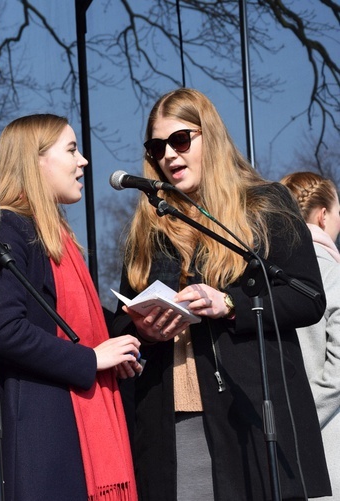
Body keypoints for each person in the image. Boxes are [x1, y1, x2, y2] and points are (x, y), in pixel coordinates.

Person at [111, 87, 331, 500]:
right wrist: (142, 328)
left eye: (180, 140)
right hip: (172, 419)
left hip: (249, 410)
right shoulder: (150, 225)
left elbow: (307, 296)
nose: (170, 156)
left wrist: (230, 303)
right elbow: (121, 318)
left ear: (208, 135)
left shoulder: (264, 204)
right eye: (158, 147)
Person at [0, 113, 141, 501]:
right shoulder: (9, 229)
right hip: (41, 433)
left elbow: (75, 324)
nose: (83, 160)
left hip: (65, 424)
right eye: (71, 149)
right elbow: (3, 329)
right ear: (35, 161)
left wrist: (129, 338)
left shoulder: (56, 236)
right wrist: (89, 360)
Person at [280, 171, 340, 500]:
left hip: (278, 449)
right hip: (329, 442)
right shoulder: (333, 273)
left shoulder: (267, 274)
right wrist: (301, 419)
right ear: (322, 215)